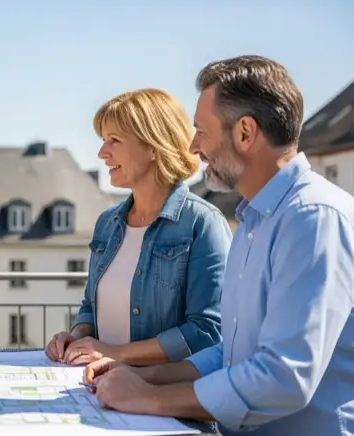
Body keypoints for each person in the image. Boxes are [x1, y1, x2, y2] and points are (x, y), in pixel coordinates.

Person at [83, 55, 354, 436]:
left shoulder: (314, 218)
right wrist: (141, 376)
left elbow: (284, 377)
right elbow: (231, 354)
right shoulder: (255, 220)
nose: (193, 147)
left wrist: (148, 399)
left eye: (201, 130)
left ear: (245, 133)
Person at [45, 88, 231, 367]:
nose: (102, 153)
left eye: (114, 140)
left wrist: (114, 354)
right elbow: (90, 307)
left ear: (155, 147)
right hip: (95, 387)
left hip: (158, 395)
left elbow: (207, 332)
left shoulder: (203, 223)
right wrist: (76, 337)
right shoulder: (107, 223)